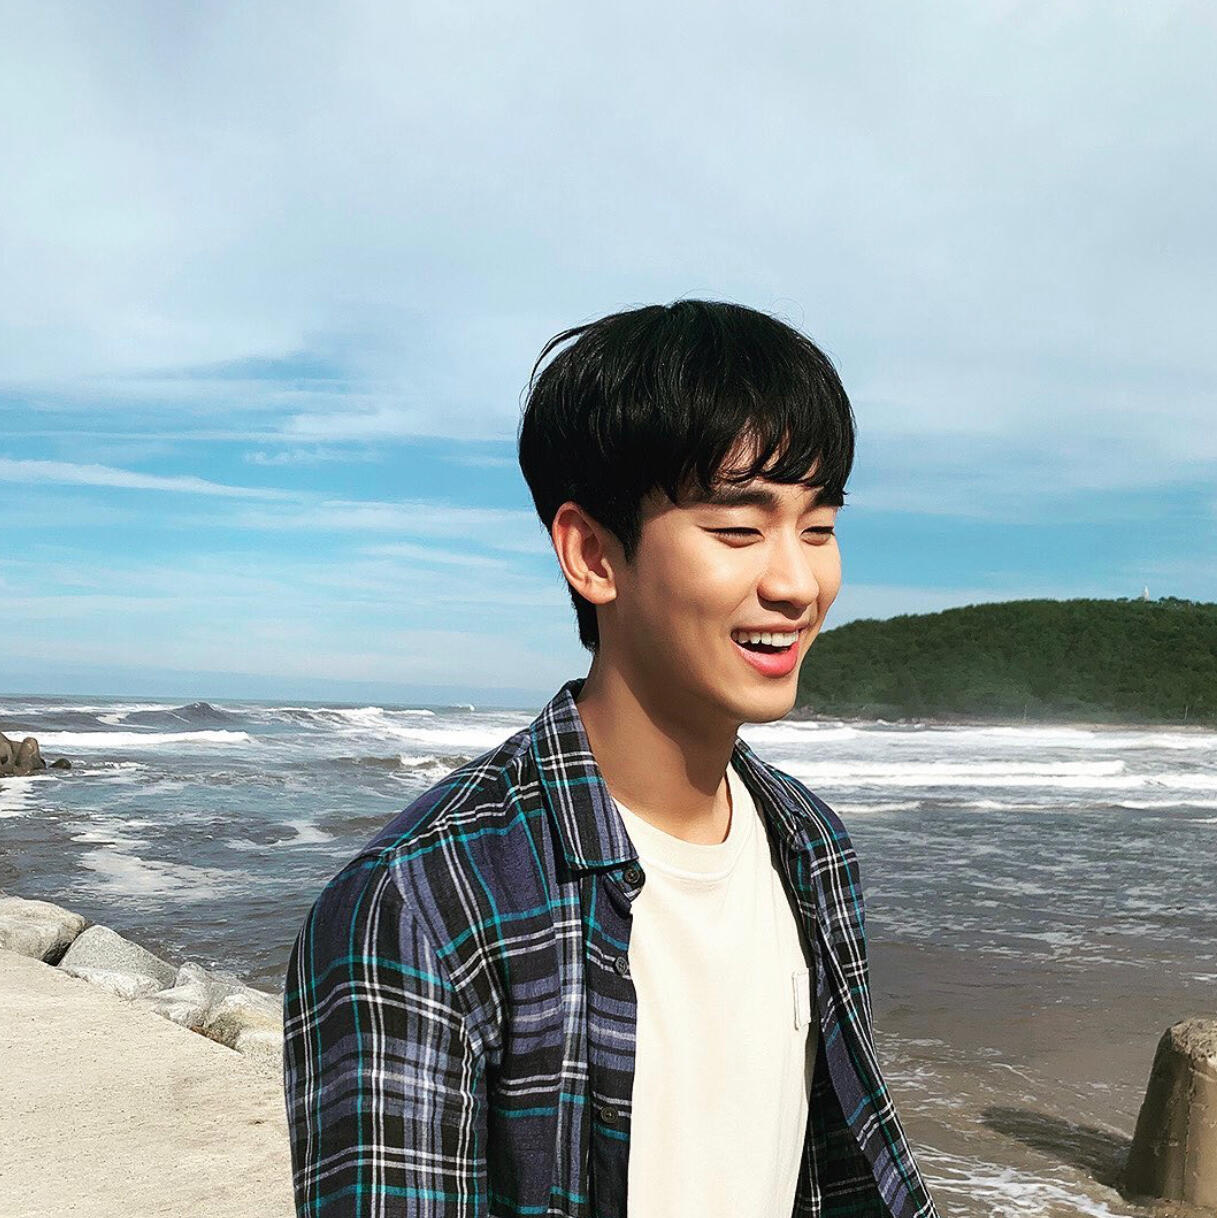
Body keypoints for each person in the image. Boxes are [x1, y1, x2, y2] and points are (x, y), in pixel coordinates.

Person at [282, 300, 939, 1218]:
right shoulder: (421, 905)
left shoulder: (810, 845)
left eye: (818, 527)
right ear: (593, 554)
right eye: (738, 530)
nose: (797, 583)